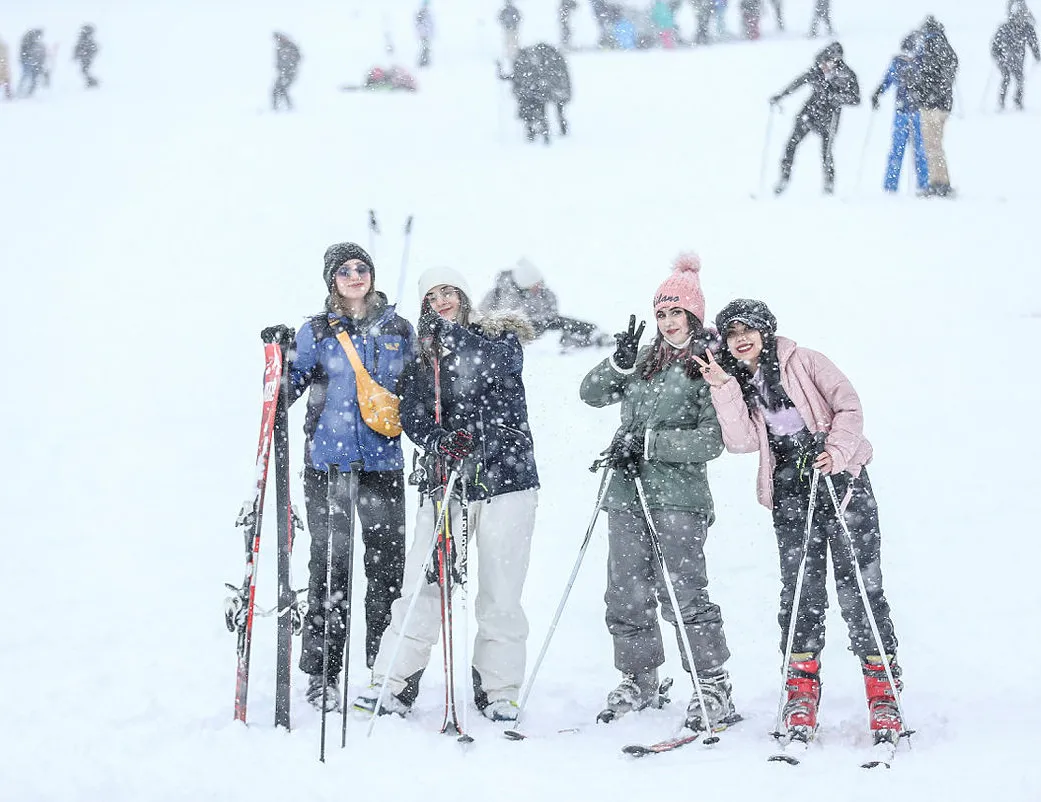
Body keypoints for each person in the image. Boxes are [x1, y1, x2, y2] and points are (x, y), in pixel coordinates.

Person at [695, 299, 903, 747]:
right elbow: (742, 441)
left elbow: (849, 406)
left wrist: (835, 451)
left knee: (859, 589)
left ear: (766, 331)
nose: (741, 339)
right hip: (791, 491)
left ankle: (883, 689)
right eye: (732, 334)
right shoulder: (741, 381)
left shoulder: (805, 360)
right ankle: (800, 691)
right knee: (801, 594)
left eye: (748, 330)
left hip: (841, 483)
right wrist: (723, 387)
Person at [354, 266, 540, 723]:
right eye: (431, 296)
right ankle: (393, 682)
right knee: (423, 582)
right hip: (447, 480)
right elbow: (413, 411)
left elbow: (493, 367)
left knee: (500, 591)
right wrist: (436, 440)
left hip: (507, 479)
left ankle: (499, 689)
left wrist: (451, 337)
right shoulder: (424, 357)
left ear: (463, 295)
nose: (441, 301)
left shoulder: (499, 337)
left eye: (448, 292)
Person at [579, 255, 738, 733]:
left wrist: (649, 443)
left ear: (694, 316)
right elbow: (591, 394)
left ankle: (712, 684)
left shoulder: (708, 364)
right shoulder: (644, 360)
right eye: (662, 314)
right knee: (625, 591)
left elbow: (712, 440)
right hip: (627, 492)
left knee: (683, 592)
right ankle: (639, 677)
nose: (668, 322)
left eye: (677, 313)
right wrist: (618, 362)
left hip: (679, 498)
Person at [264, 243, 414, 712]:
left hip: (383, 466)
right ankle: (323, 674)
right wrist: (279, 356)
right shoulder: (316, 331)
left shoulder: (399, 329)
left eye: (361, 268)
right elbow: (287, 390)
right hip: (328, 466)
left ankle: (384, 673)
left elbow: (420, 388)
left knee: (388, 571)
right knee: (330, 569)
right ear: (332, 279)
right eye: (344, 270)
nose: (354, 276)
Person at [771, 42, 860, 195]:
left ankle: (829, 184)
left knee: (826, 152)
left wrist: (837, 97)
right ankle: (784, 177)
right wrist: (781, 95)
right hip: (810, 112)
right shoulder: (817, 71)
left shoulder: (847, 75)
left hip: (830, 116)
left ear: (836, 61)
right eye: (822, 62)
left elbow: (855, 98)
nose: (824, 66)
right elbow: (799, 82)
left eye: (828, 62)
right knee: (792, 144)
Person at [480, 259, 613, 350]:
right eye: (534, 285)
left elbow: (552, 313)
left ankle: (595, 335)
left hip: (540, 326)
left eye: (539, 283)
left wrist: (535, 320)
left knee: (565, 323)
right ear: (523, 285)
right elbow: (482, 314)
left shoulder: (545, 293)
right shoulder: (497, 294)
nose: (538, 287)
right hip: (508, 331)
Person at [871, 34, 929, 195]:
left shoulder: (922, 63)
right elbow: (887, 80)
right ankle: (890, 186)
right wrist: (878, 93)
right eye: (905, 52)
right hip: (901, 112)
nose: (907, 56)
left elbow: (928, 84)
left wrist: (921, 90)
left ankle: (924, 184)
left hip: (917, 112)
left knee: (920, 150)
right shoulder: (897, 63)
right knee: (897, 149)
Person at [913, 16, 958, 197]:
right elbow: (950, 71)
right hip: (943, 104)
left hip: (932, 105)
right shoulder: (946, 47)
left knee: (932, 145)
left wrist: (922, 93)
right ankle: (940, 180)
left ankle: (939, 183)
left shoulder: (930, 47)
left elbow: (926, 76)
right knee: (936, 144)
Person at [991, 5, 1040, 111]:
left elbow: (1033, 44)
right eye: (1019, 16)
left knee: (1019, 79)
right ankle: (1002, 102)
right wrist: (998, 56)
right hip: (1004, 58)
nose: (1021, 20)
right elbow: (995, 45)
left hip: (1018, 59)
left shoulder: (1027, 28)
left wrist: (1037, 55)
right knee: (1006, 78)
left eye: (1023, 17)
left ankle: (1017, 101)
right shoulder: (1005, 28)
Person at [272, 32, 301, 111]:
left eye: (280, 38)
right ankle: (277, 107)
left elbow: (298, 57)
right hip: (283, 73)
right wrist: (279, 67)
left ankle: (288, 107)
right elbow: (279, 61)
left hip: (290, 73)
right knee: (277, 90)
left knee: (282, 89)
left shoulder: (291, 46)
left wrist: (291, 65)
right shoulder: (280, 48)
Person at [18, 29, 46, 97]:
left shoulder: (36, 43)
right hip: (30, 61)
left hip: (33, 62)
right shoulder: (30, 41)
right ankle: (23, 92)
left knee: (30, 77)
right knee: (28, 76)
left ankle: (27, 92)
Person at [415, 0, 433, 68]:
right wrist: (421, 32)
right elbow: (419, 24)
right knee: (425, 48)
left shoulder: (426, 13)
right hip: (423, 34)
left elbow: (430, 24)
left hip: (425, 34)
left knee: (426, 48)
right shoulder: (421, 13)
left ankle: (424, 61)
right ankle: (423, 61)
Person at [0, 36, 12, 101]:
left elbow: (5, 57)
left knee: (6, 80)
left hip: (4, 65)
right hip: (4, 65)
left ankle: (8, 95)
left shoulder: (3, 45)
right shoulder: (4, 45)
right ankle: (8, 95)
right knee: (6, 80)